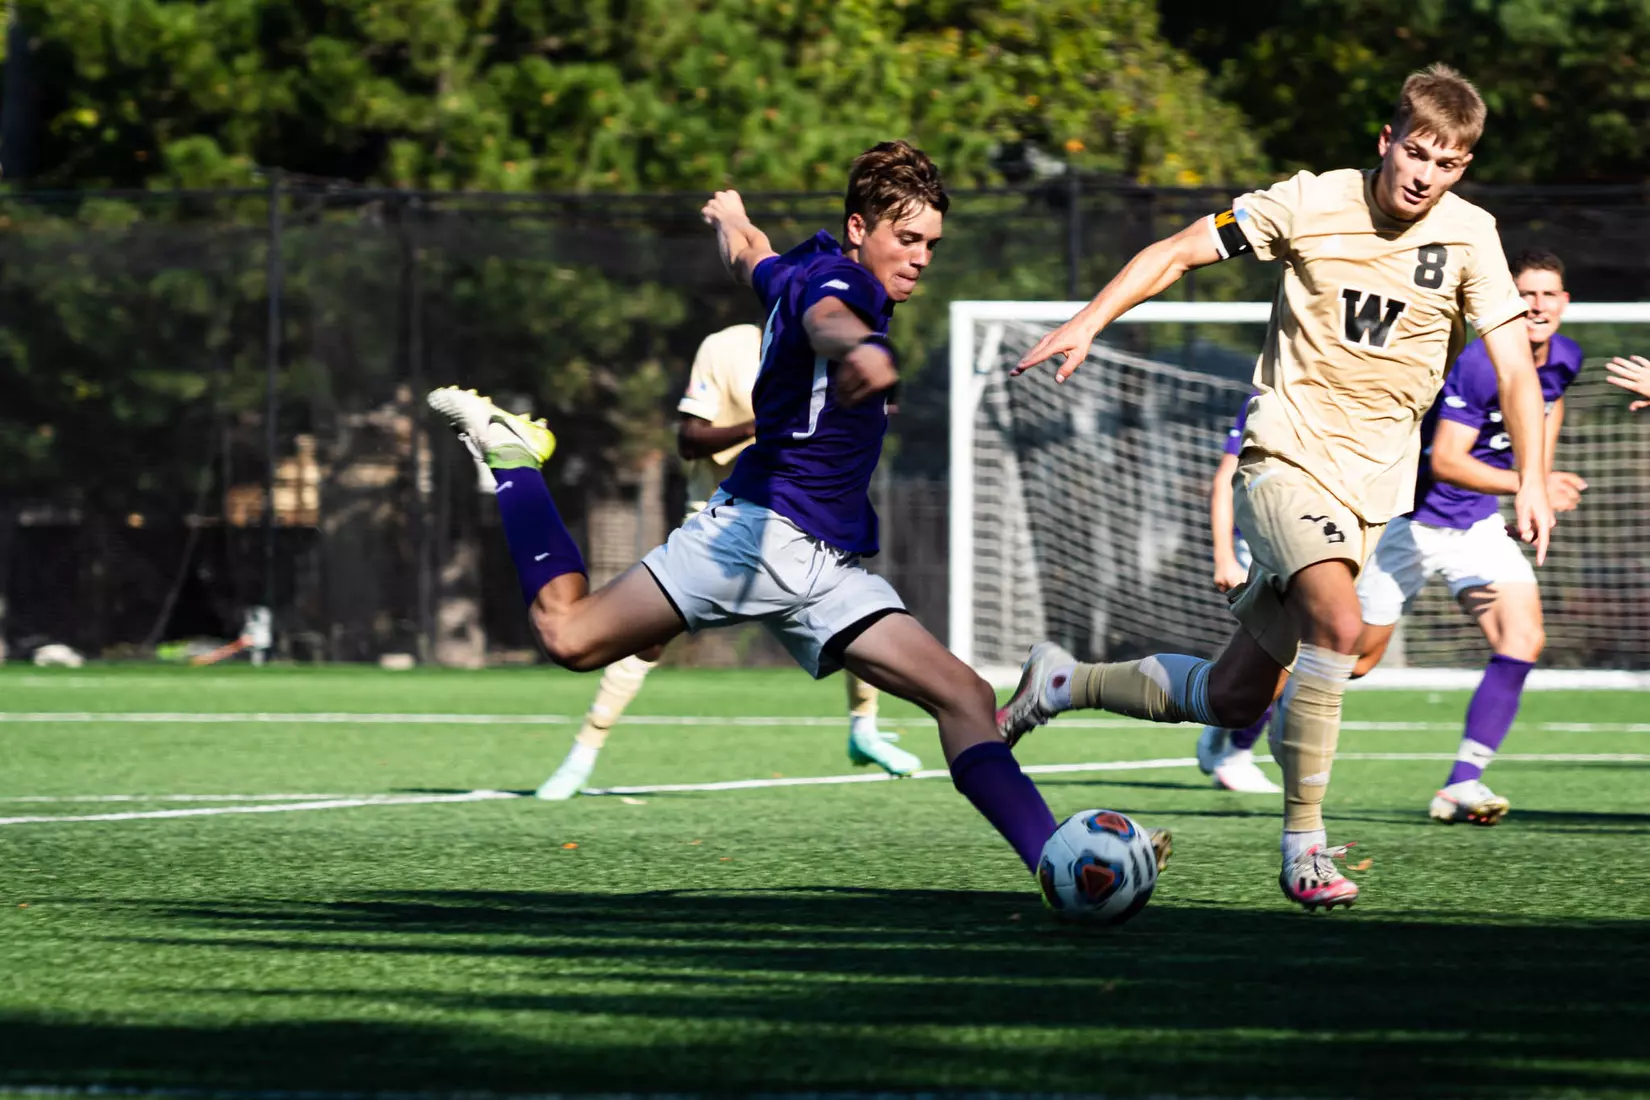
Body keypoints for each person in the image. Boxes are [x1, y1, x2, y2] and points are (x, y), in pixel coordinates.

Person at [429, 141, 1088, 875]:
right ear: (859, 228)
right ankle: (514, 455)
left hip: (820, 564)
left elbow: (750, 254)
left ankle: (1057, 864)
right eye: (907, 239)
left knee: (964, 695)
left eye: (932, 243)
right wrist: (860, 350)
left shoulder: (798, 270)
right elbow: (830, 319)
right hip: (755, 542)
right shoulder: (846, 284)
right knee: (568, 634)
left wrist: (732, 216)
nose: (922, 257)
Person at [996, 64, 1554, 910]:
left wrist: (1535, 479)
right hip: (1284, 459)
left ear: (1462, 169)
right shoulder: (1308, 202)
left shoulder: (1473, 236)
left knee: (1232, 694)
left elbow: (1514, 366)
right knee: (1337, 622)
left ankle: (1063, 682)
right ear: (1386, 140)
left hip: (1372, 493)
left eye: (1445, 164)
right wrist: (1085, 322)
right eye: (1414, 152)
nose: (1422, 175)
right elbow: (1178, 251)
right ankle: (1305, 849)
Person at [506, 325, 921, 800]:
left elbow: (876, 405)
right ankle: (583, 753)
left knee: (858, 615)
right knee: (642, 642)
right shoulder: (728, 347)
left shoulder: (838, 347)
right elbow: (688, 439)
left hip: (796, 527)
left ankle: (864, 730)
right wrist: (763, 426)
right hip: (719, 520)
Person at [1347, 249, 1587, 825]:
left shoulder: (1566, 358)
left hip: (1476, 524)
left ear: (1564, 302)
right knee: (1354, 661)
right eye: (1525, 293)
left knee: (1523, 637)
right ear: (1507, 299)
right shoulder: (1479, 363)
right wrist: (1531, 483)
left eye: (1548, 294)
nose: (1537, 305)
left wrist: (1534, 490)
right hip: (1407, 522)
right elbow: (1448, 461)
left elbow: (1546, 410)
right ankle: (1246, 723)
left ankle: (1462, 782)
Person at [1195, 395, 1281, 794]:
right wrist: (1224, 555)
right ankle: (1236, 754)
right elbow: (1225, 481)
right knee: (1286, 652)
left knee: (1304, 653)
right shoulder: (1262, 402)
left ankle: (1222, 718)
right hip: (1264, 546)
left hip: (1324, 544)